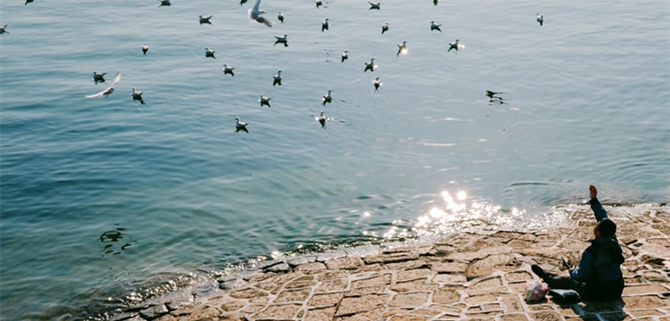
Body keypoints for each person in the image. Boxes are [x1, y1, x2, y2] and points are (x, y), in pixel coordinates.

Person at [531, 185, 625, 301]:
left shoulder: (590, 253)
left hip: (599, 293)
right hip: (617, 289)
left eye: (597, 225)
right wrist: (594, 199)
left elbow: (580, 276)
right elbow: (602, 217)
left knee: (569, 280)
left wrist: (572, 272)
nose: (596, 224)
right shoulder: (613, 240)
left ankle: (546, 276)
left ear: (598, 233)